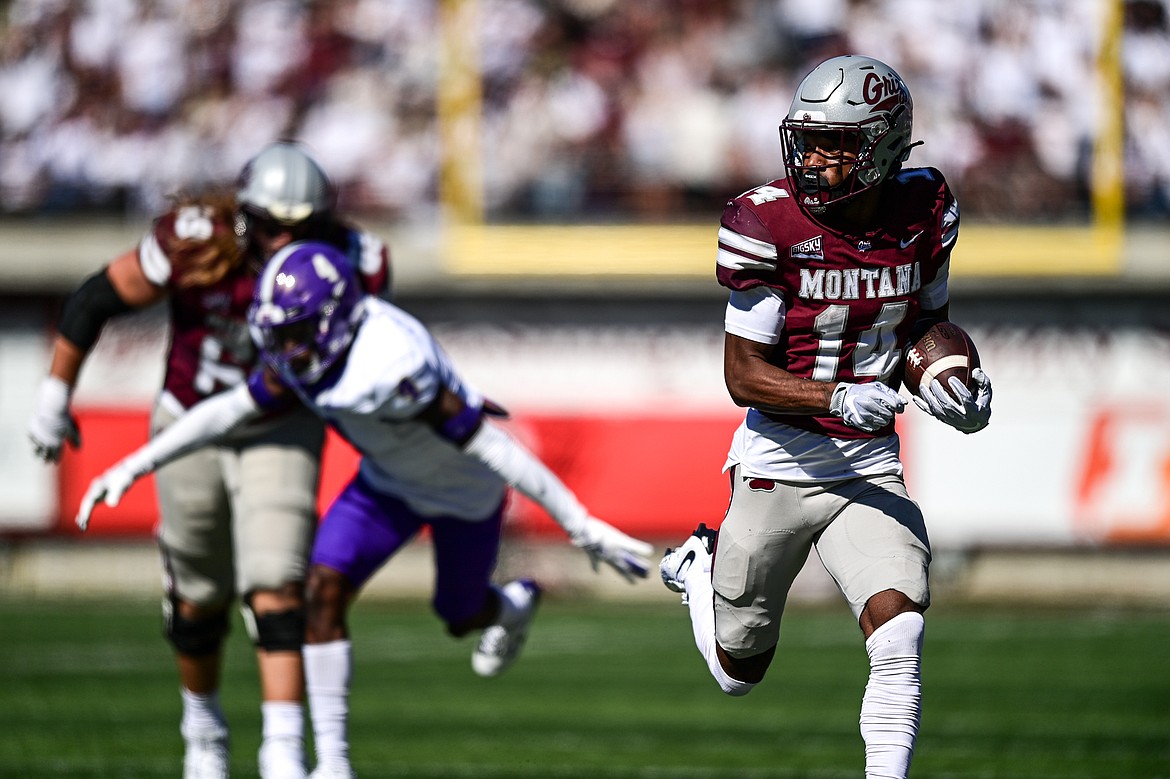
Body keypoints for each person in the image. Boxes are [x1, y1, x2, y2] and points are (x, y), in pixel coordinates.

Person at [74, 240, 654, 779]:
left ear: (334, 319)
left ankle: (511, 604)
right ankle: (333, 763)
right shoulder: (309, 356)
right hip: (385, 485)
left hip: (463, 494)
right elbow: (229, 409)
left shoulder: (394, 362)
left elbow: (493, 446)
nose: (286, 349)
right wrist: (138, 463)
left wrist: (579, 525)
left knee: (458, 615)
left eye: (297, 332)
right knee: (321, 591)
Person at [658, 55, 992, 779]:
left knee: (899, 629)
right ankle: (697, 566)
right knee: (737, 670)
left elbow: (925, 327)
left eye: (839, 143)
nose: (816, 157)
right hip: (781, 463)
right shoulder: (769, 222)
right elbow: (741, 374)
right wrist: (834, 396)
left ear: (886, 143)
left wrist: (952, 378)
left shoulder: (925, 208)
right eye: (810, 140)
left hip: (868, 466)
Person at [28, 143, 391, 779]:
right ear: (246, 216)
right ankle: (204, 727)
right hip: (188, 418)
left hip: (280, 423)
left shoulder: (354, 258)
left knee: (277, 581)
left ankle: (283, 749)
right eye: (276, 226)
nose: (288, 241)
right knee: (196, 597)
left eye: (303, 229)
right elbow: (93, 300)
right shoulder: (196, 241)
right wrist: (56, 394)